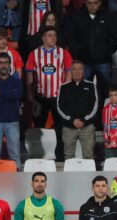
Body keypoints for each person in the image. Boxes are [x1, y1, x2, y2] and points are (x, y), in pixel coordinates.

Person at [26, 26, 72, 159]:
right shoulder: (34, 54)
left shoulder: (63, 53)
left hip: (58, 97)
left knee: (60, 127)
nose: (53, 38)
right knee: (38, 128)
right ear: (43, 38)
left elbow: (69, 72)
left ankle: (59, 155)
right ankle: (37, 155)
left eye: (55, 36)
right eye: (50, 35)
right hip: (41, 97)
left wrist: (65, 92)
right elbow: (29, 76)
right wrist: (30, 96)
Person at [67, 0, 117, 99]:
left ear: (100, 3)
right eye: (90, 3)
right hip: (84, 62)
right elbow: (70, 38)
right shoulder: (78, 17)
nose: (93, 6)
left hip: (103, 62)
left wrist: (106, 51)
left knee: (106, 93)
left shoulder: (108, 17)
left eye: (95, 3)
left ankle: (104, 113)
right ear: (86, 4)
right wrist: (78, 53)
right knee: (83, 93)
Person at [56, 60, 98, 161]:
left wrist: (83, 120)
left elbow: (94, 106)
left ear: (84, 71)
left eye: (80, 69)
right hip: (69, 127)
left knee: (88, 155)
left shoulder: (91, 86)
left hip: (87, 127)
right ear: (71, 71)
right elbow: (60, 107)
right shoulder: (64, 87)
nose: (77, 71)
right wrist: (72, 120)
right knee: (68, 156)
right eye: (74, 69)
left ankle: (90, 177)